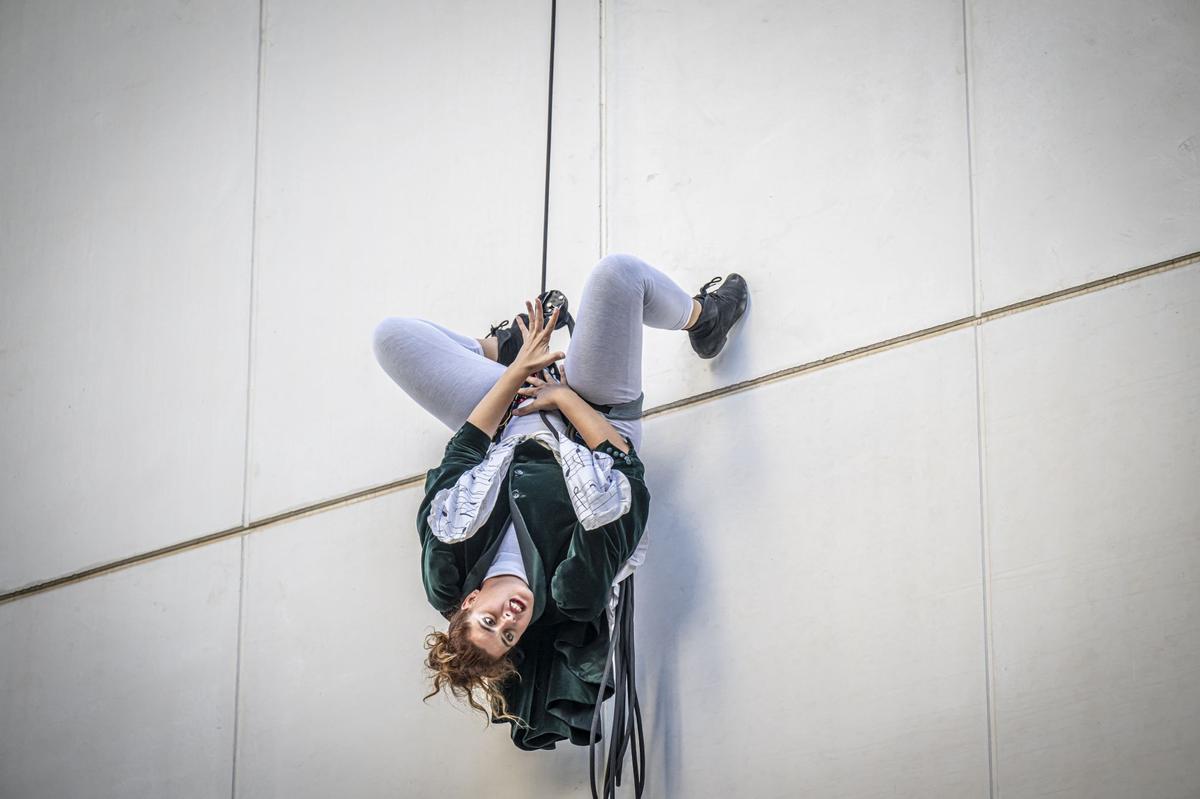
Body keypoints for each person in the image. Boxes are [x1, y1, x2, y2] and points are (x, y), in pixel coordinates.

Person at [371, 252, 749, 749]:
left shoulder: (446, 567)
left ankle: (502, 347)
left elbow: (462, 453)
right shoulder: (573, 590)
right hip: (595, 412)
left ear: (467, 602)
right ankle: (706, 319)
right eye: (509, 634)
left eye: (490, 620)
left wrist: (521, 370)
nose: (509, 618)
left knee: (391, 338)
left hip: (509, 410)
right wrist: (564, 398)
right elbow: (625, 471)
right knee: (617, 276)